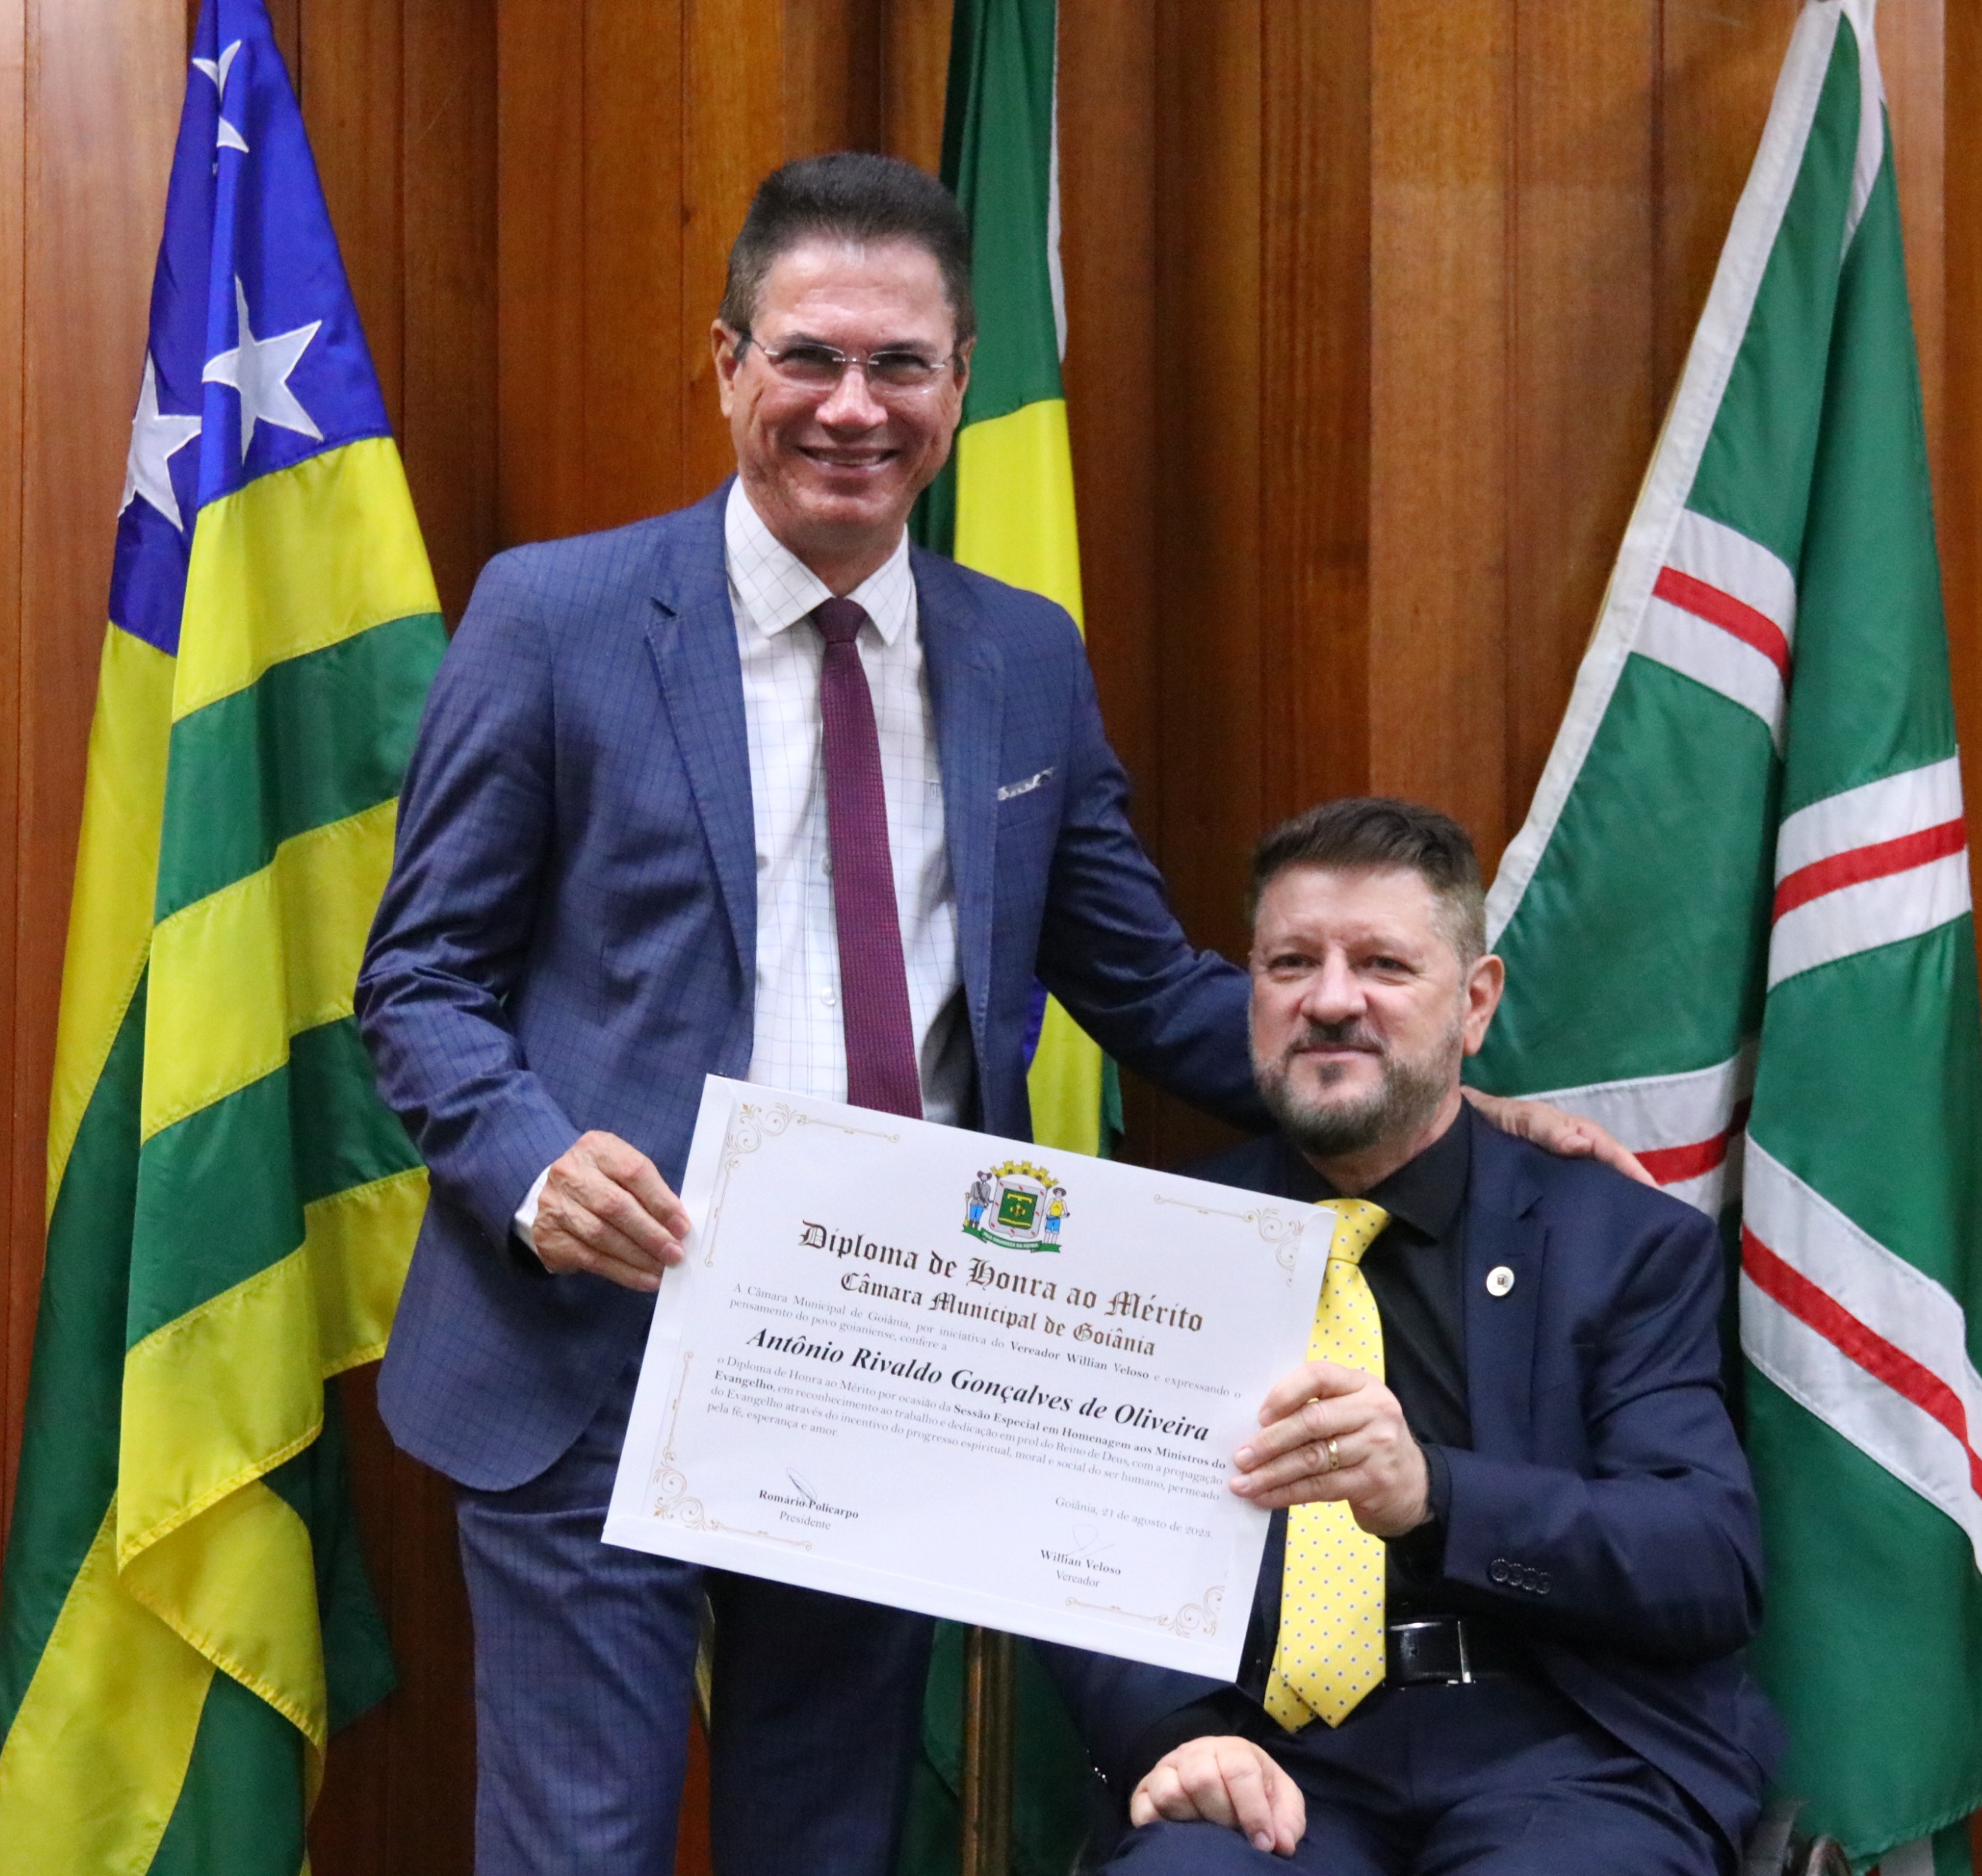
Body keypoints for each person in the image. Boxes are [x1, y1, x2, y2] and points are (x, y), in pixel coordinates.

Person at [357, 153, 1639, 1876]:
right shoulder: (555, 616)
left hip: (900, 1348)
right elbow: (418, 979)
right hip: (598, 1345)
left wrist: (1436, 1112)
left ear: (960, 384)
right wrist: (532, 1169)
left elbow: (1149, 986)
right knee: (578, 1851)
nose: (852, 407)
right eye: (809, 357)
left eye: (900, 365)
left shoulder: (1022, 656)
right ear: (726, 364)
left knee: (827, 1846)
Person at [1042, 797, 1783, 1875]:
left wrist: (1435, 1494)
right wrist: (1177, 1733)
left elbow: (1706, 1559)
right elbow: (1074, 1545)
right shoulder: (1159, 1242)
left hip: (1564, 1750)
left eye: (1384, 965)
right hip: (1269, 1756)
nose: (1331, 1000)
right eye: (1291, 964)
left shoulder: (1621, 1243)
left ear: (1474, 1003)